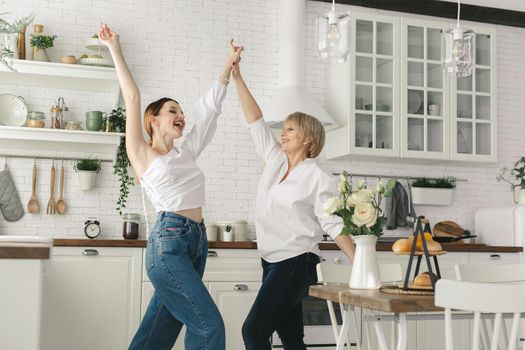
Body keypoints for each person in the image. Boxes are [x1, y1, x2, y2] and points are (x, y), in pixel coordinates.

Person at [99, 24, 242, 350]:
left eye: (181, 111)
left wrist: (227, 65)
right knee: (209, 327)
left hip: (195, 242)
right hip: (168, 245)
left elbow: (209, 110)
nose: (181, 115)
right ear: (154, 120)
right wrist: (114, 48)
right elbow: (132, 96)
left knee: (157, 333)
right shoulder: (141, 153)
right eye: (172, 110)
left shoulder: (186, 149)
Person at [230, 49, 356, 349]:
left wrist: (361, 262)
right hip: (271, 261)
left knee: (254, 331)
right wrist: (237, 77)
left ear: (308, 139)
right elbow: (255, 121)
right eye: (284, 128)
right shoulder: (275, 161)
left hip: (296, 262)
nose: (282, 133)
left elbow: (333, 223)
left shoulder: (317, 176)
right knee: (291, 339)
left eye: (290, 129)